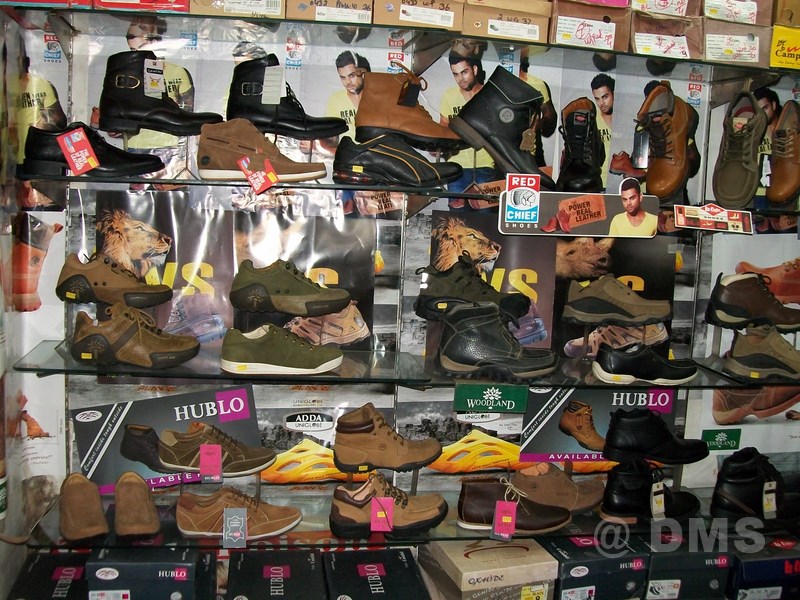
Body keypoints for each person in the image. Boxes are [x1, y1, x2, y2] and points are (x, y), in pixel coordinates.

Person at [438, 54, 496, 211]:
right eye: (455, 74)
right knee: (457, 219)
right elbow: (443, 126)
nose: (460, 79)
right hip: (457, 168)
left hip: (485, 166)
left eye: (464, 72)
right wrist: (438, 145)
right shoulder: (449, 96)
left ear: (475, 70)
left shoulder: (489, 95)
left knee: (485, 217)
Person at [326, 51, 370, 139]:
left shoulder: (378, 97)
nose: (348, 82)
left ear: (363, 73)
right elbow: (331, 135)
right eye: (343, 78)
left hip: (374, 147)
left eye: (352, 76)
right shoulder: (335, 100)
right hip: (346, 147)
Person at [591, 73, 614, 188]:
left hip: (625, 182)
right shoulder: (592, 122)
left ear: (614, 93)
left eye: (605, 97)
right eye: (597, 99)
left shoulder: (627, 121)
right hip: (600, 183)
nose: (601, 103)